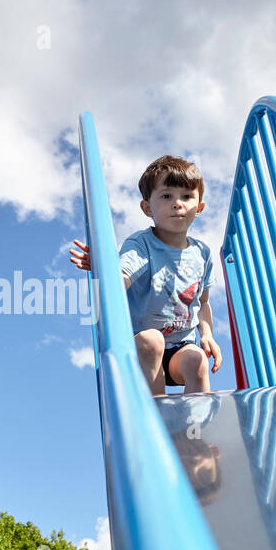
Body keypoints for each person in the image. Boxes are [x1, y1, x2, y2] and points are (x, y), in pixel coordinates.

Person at [70, 155, 222, 395]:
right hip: (140, 348)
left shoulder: (202, 252)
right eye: (166, 196)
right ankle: (155, 420)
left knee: (197, 360)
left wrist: (207, 334)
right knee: (152, 340)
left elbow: (202, 302)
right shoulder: (141, 244)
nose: (177, 203)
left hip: (179, 349)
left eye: (186, 196)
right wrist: (105, 270)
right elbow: (121, 279)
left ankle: (196, 429)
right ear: (147, 207)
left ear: (199, 207)